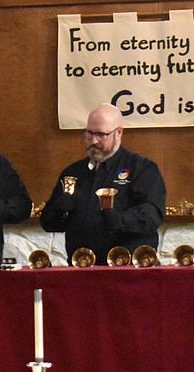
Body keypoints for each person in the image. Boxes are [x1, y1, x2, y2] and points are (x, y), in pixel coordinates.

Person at [40, 103, 166, 264]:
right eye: (89, 133)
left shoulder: (142, 169)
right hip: (83, 268)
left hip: (128, 269)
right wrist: (58, 211)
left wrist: (120, 220)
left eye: (101, 134)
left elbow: (152, 215)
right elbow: (49, 224)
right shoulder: (73, 173)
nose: (93, 141)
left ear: (119, 133)